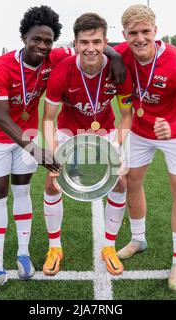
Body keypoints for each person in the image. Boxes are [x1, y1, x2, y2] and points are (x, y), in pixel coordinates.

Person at [0, 5, 126, 300]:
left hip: (28, 136)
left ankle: (23, 255)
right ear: (23, 37)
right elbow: (2, 118)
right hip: (0, 137)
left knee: (21, 192)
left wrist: (116, 56)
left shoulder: (54, 58)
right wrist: (38, 149)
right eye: (36, 40)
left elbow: (93, 46)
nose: (42, 46)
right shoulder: (1, 66)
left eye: (47, 41)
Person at [114, 4, 176, 291]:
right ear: (125, 34)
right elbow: (91, 50)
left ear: (156, 31)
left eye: (145, 31)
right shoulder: (120, 52)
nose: (139, 38)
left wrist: (174, 127)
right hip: (141, 130)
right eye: (133, 33)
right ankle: (138, 239)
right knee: (131, 181)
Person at [42, 13, 133, 276]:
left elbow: (126, 116)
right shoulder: (62, 71)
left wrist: (116, 145)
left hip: (105, 130)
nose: (90, 48)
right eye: (84, 42)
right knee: (52, 181)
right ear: (75, 42)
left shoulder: (118, 69)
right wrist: (51, 155)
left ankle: (109, 246)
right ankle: (54, 247)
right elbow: (48, 119)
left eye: (96, 41)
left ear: (106, 42)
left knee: (121, 181)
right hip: (69, 130)